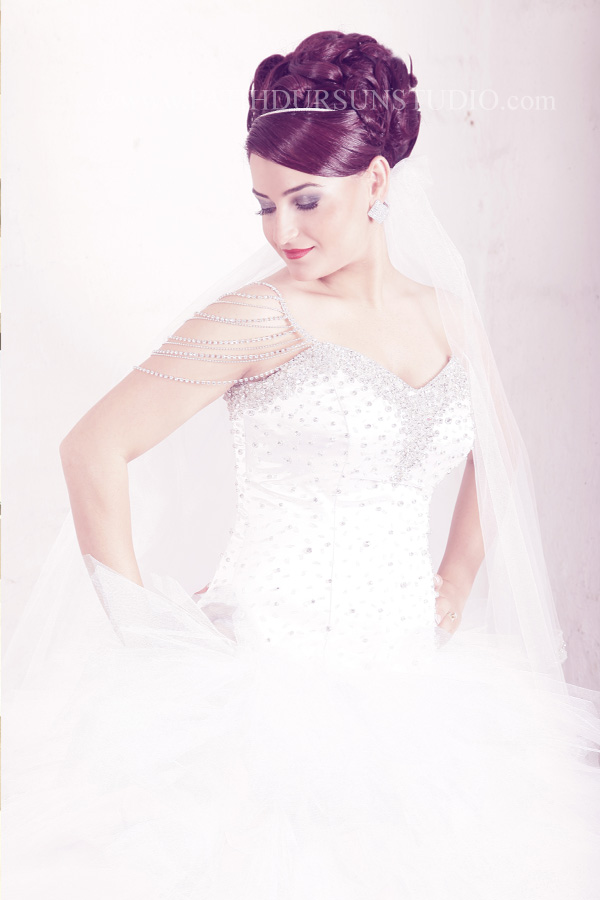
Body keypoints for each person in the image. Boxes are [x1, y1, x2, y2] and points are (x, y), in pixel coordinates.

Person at [4, 29, 600, 900]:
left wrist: (455, 580)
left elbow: (500, 451)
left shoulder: (448, 315)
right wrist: (146, 635)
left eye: (306, 200)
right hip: (264, 697)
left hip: (416, 697)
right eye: (264, 204)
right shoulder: (259, 317)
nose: (282, 230)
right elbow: (93, 447)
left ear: (378, 182)